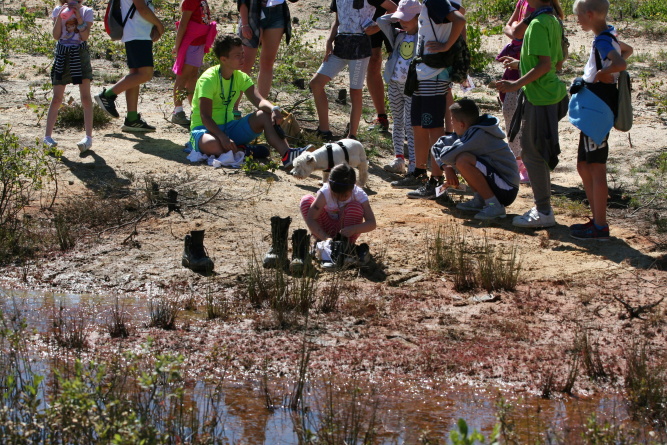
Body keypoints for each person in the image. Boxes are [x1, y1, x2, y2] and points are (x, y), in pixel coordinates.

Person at [496, 0, 568, 228]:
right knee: (535, 153)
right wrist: (522, 63)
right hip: (549, 93)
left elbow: (546, 65)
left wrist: (515, 84)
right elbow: (556, 62)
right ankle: (543, 208)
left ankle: (544, 211)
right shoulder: (552, 18)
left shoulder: (537, 23)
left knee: (532, 154)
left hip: (540, 97)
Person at [188, 34, 311, 167]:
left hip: (230, 127)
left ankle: (287, 154)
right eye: (237, 56)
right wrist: (221, 136)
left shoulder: (241, 77)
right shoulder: (208, 79)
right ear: (223, 59)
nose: (242, 58)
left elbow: (259, 100)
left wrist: (274, 109)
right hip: (204, 130)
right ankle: (245, 150)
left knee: (264, 114)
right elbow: (205, 116)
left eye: (242, 53)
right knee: (213, 145)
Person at [569, 0, 632, 240]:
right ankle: (596, 220)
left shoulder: (603, 39)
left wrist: (602, 73)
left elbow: (621, 62)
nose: (578, 21)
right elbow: (627, 50)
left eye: (579, 17)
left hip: (598, 110)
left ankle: (600, 226)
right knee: (584, 165)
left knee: (595, 167)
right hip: (594, 110)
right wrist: (608, 71)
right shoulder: (610, 33)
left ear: (591, 14)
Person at [391, 0, 465, 200]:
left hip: (434, 74)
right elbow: (460, 11)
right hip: (423, 74)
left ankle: (436, 180)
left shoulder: (435, 1)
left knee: (432, 127)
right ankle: (419, 173)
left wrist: (446, 46)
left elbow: (460, 19)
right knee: (418, 126)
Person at [309, 0, 397, 141]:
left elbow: (394, 9)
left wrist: (377, 26)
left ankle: (352, 136)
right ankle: (324, 130)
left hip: (360, 50)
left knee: (355, 91)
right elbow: (337, 21)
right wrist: (329, 41)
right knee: (316, 83)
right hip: (340, 47)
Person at [431, 99, 520, 220]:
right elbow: (437, 146)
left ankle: (493, 205)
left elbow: (446, 156)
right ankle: (480, 200)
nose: (451, 124)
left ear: (461, 124)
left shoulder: (479, 134)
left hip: (507, 188)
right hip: (499, 184)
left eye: (452, 121)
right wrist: (446, 167)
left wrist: (448, 162)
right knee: (460, 157)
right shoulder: (468, 131)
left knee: (463, 159)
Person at [94, 0, 165, 132]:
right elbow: (142, 8)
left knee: (135, 75)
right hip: (137, 34)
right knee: (145, 73)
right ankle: (107, 95)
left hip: (138, 33)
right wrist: (159, 25)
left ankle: (132, 119)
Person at [43, 0, 94, 153]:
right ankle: (47, 137)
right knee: (57, 97)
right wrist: (59, 17)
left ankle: (88, 137)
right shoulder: (58, 10)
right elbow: (56, 35)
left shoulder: (87, 11)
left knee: (85, 96)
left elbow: (84, 36)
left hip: (80, 53)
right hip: (62, 54)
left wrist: (78, 16)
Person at [377, 0, 419, 175]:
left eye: (407, 19)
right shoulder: (398, 34)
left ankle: (414, 163)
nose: (403, 22)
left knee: (410, 125)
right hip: (394, 83)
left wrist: (420, 17)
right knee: (397, 121)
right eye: (401, 19)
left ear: (418, 17)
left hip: (412, 87)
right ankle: (399, 159)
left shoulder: (422, 35)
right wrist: (396, 16)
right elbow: (381, 21)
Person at [235, 0, 298, 117]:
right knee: (244, 64)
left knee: (267, 63)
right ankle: (233, 107)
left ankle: (262, 110)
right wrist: (244, 24)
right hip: (253, 12)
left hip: (277, 12)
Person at [300, 163, 376, 245]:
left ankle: (346, 245)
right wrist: (325, 238)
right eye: (335, 194)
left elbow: (372, 223)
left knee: (355, 207)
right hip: (325, 228)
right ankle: (321, 241)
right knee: (306, 200)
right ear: (330, 186)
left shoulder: (358, 194)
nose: (341, 198)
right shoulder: (326, 191)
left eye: (345, 195)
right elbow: (311, 218)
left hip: (346, 230)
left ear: (353, 187)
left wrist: (354, 229)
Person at [170, 0, 216, 127]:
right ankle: (178, 111)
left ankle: (194, 109)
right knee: (183, 75)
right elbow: (183, 24)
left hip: (198, 42)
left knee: (192, 76)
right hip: (191, 43)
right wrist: (177, 45)